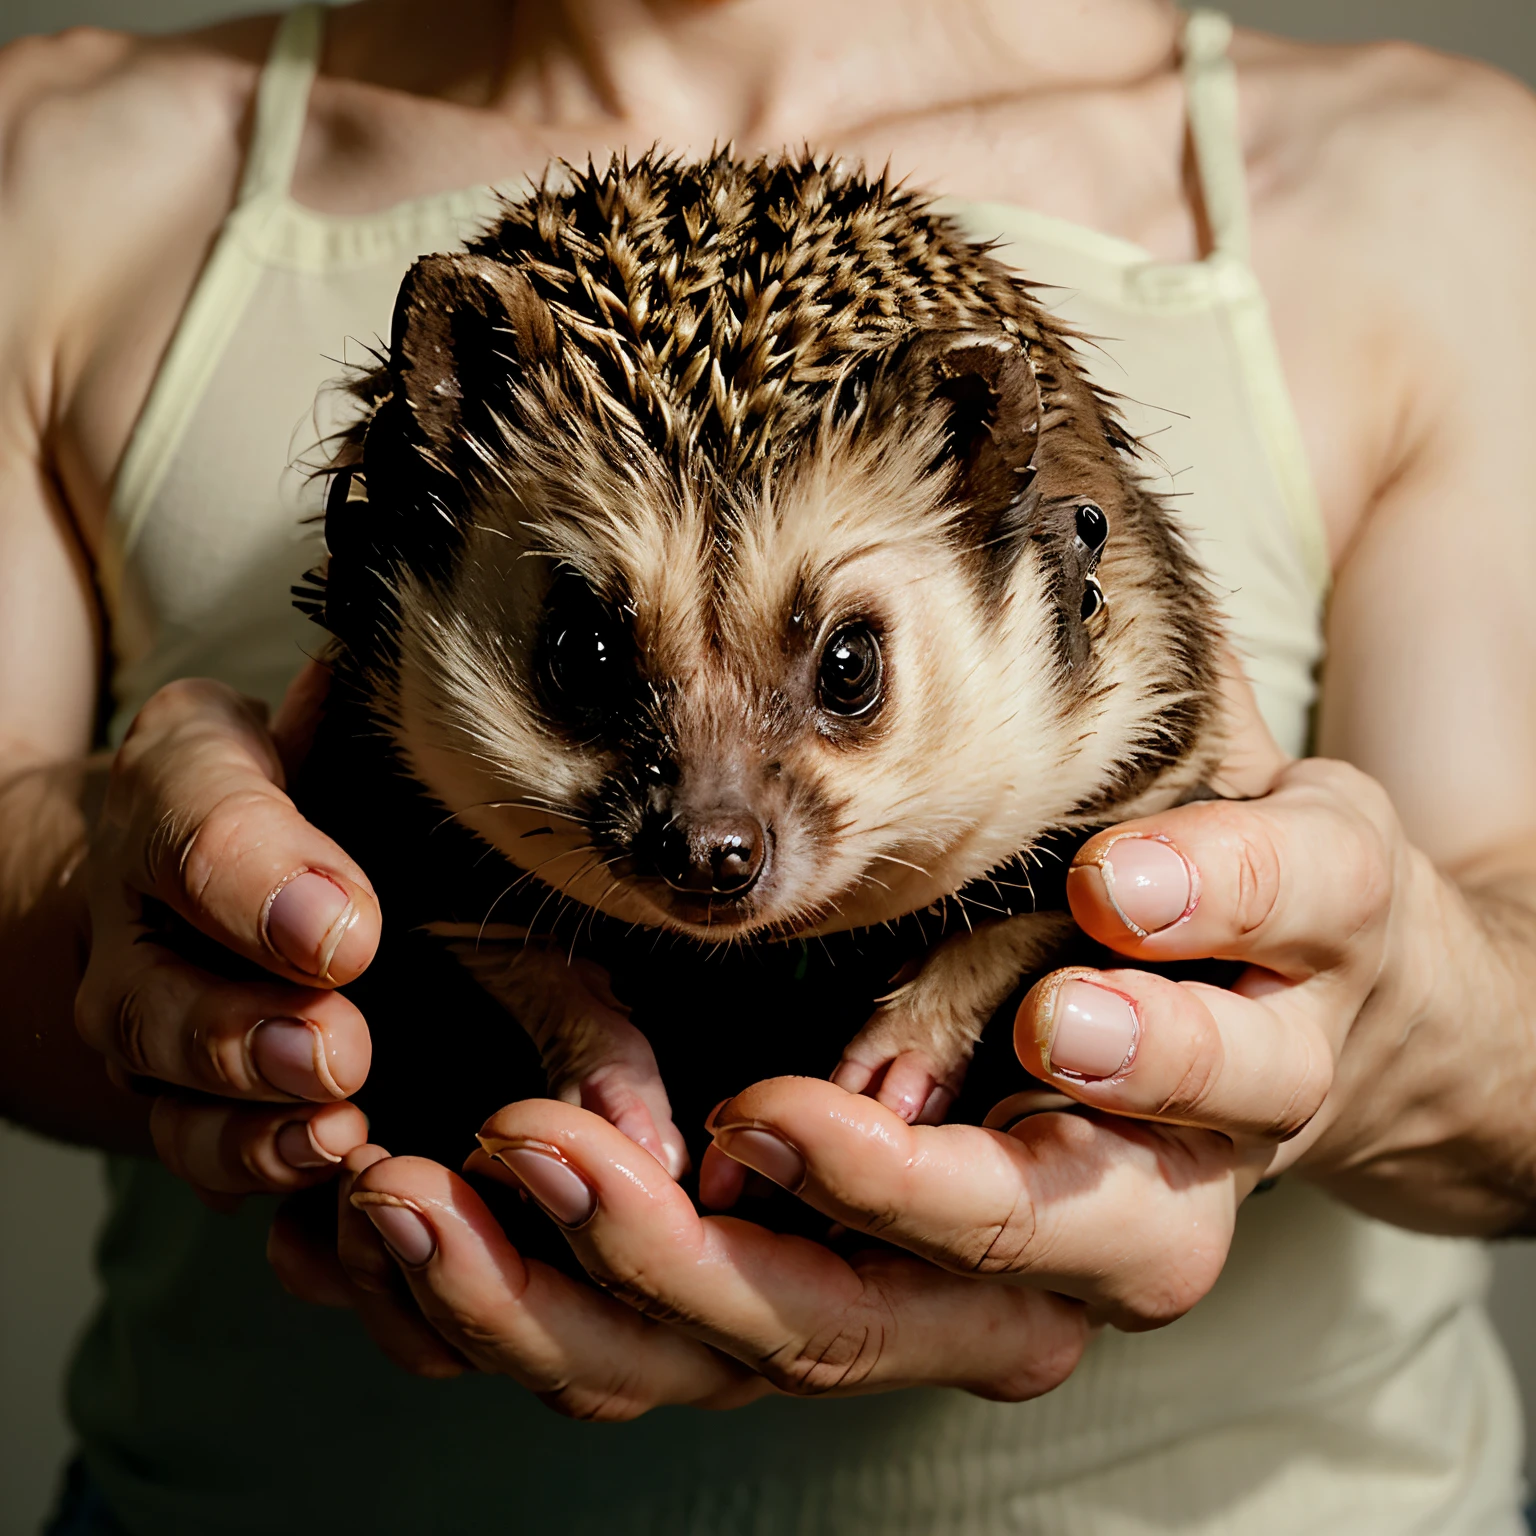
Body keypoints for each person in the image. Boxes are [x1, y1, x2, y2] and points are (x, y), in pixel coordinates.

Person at [2, 0, 1534, 1530]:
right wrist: (112, 898)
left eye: (844, 676)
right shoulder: (53, 161)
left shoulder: (1440, 189)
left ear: (1030, 573)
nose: (715, 831)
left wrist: (1379, 1008)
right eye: (596, 665)